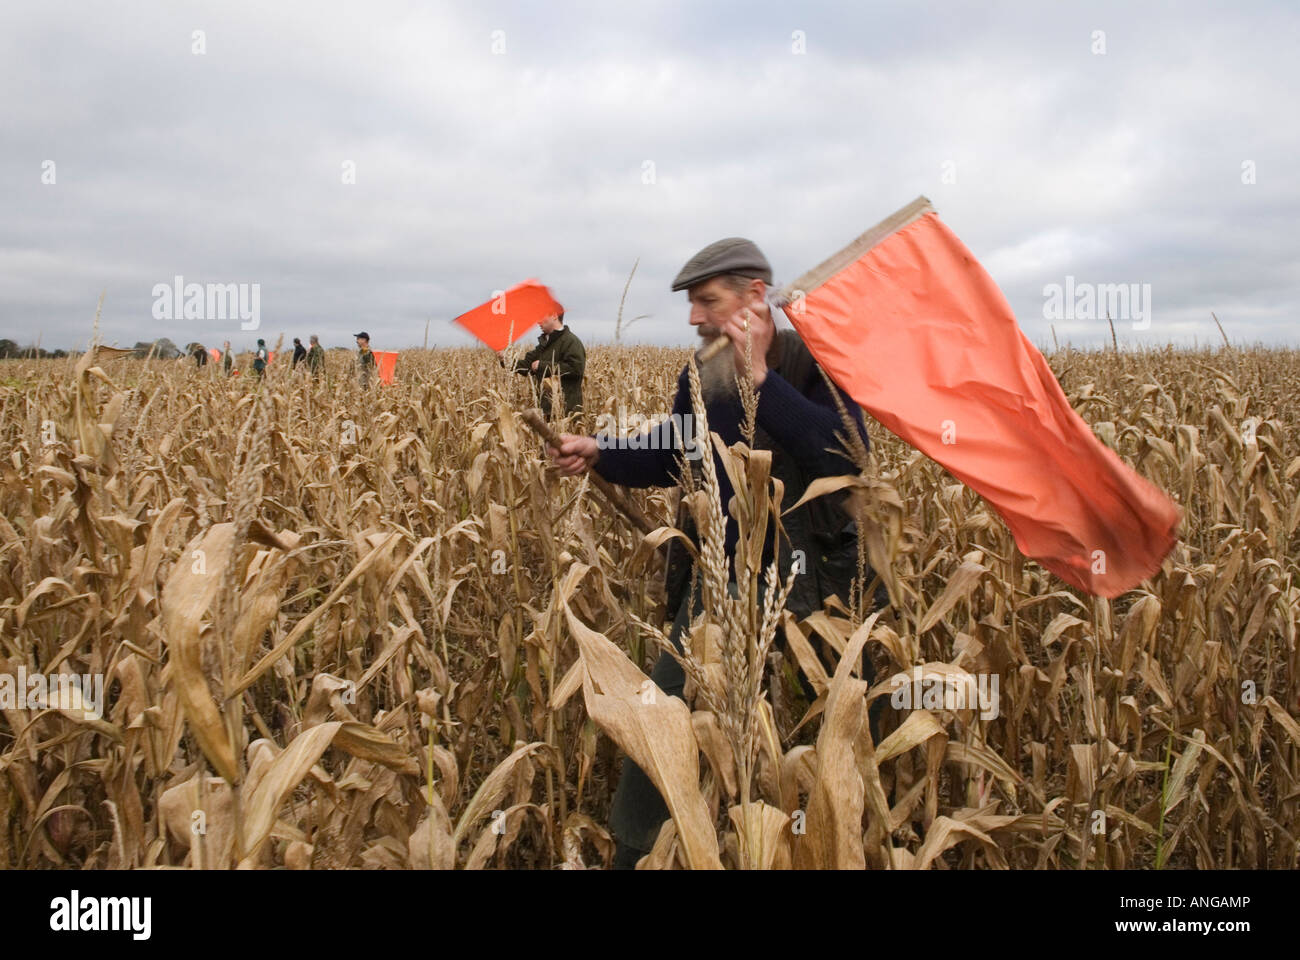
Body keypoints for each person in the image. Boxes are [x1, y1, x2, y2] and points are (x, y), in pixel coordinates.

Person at [545, 237, 885, 868]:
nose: (695, 318)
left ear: (755, 295)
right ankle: (636, 852)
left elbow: (847, 458)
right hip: (720, 583)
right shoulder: (704, 372)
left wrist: (763, 382)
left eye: (707, 301)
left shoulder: (817, 361)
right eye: (693, 304)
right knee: (664, 714)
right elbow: (678, 452)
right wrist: (600, 450)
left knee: (815, 746)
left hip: (817, 589)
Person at [508, 311, 585, 418]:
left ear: (554, 316)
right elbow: (526, 366)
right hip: (546, 411)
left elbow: (575, 369)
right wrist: (506, 359)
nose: (538, 322)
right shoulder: (544, 344)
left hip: (566, 413)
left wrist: (542, 366)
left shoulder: (571, 341)